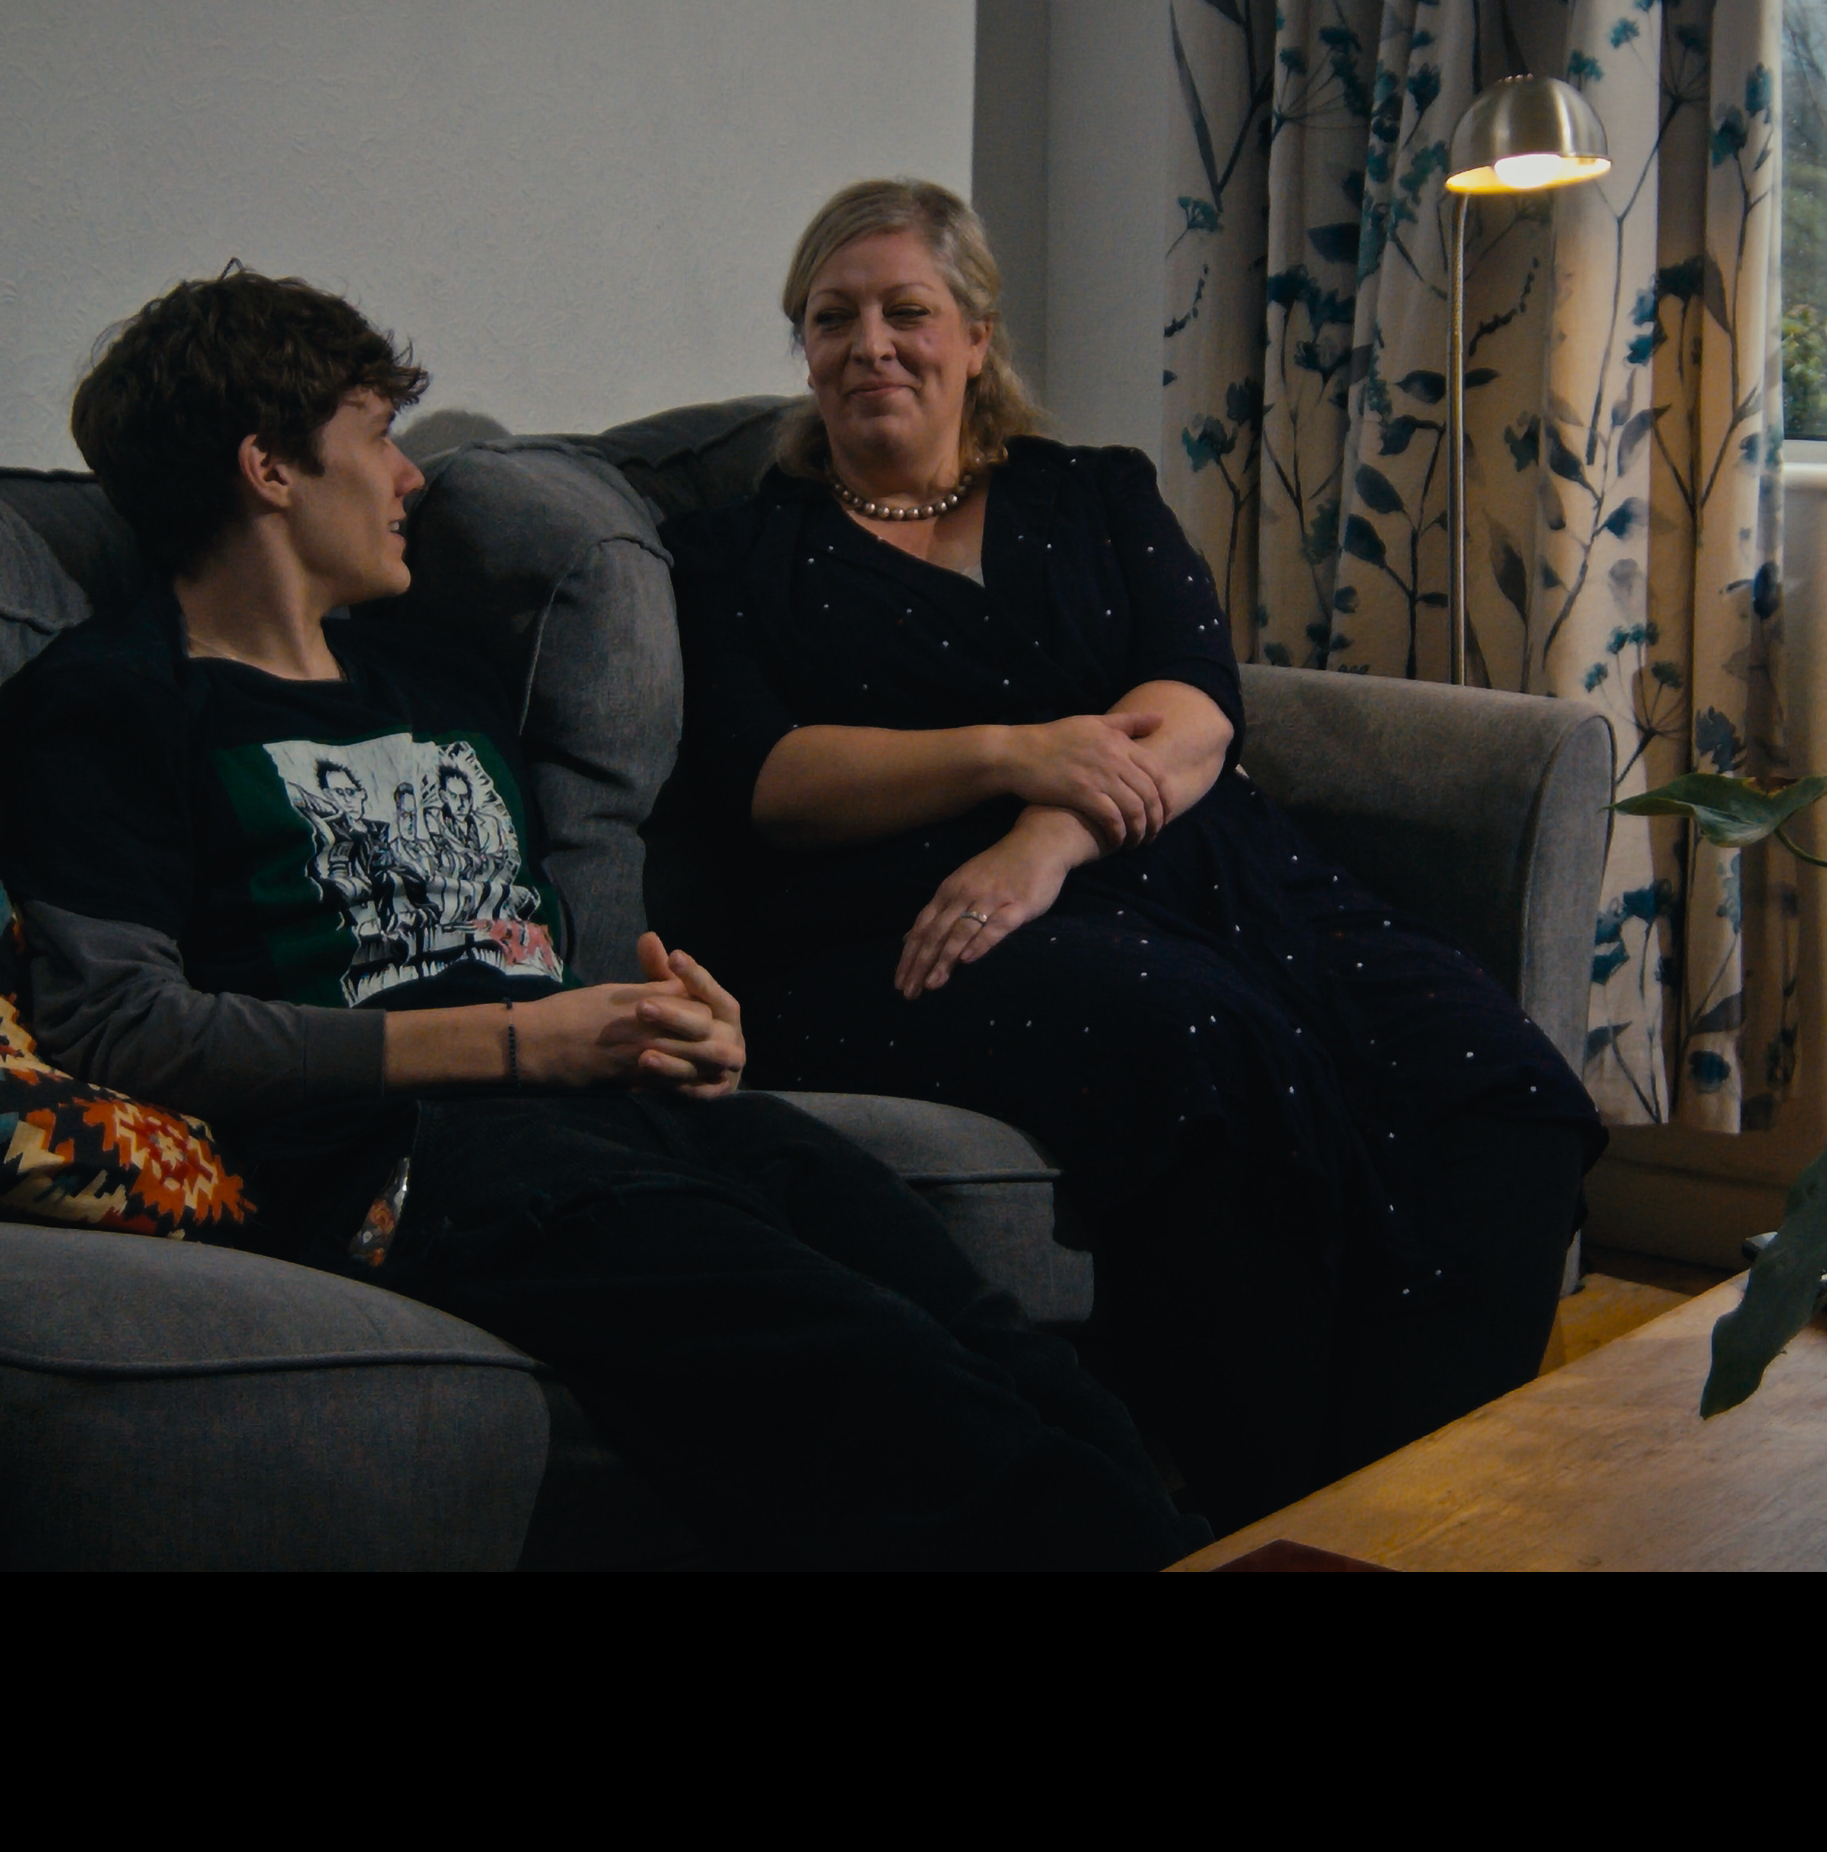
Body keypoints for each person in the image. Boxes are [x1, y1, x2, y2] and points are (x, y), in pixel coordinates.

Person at [0, 264, 1193, 1570]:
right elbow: (118, 1029)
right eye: (377, 437)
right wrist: (522, 1045)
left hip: (612, 1112)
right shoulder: (111, 704)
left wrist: (673, 1030)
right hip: (404, 1161)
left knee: (1009, 1350)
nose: (411, 478)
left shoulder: (439, 681)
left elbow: (526, 957)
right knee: (889, 1382)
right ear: (269, 468)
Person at [659, 181, 1603, 1530]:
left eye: (906, 311)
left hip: (1187, 868)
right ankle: (1274, 1513)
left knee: (1505, 1086)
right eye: (831, 318)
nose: (870, 345)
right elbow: (769, 778)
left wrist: (1049, 838)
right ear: (802, 349)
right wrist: (1014, 754)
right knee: (1210, 1049)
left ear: (976, 335)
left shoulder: (1091, 493)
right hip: (903, 919)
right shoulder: (739, 552)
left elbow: (1196, 703)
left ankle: (1376, 1520)